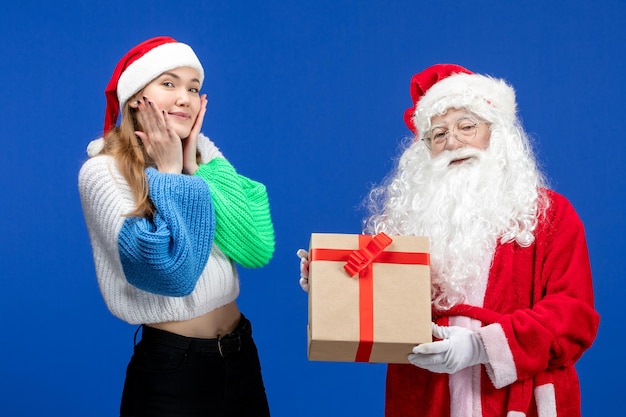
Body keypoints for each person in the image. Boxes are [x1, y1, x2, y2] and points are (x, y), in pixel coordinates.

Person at [298, 64, 599, 416]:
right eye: (438, 134)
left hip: (518, 402)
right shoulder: (410, 226)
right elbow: (384, 316)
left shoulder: (551, 214)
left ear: (497, 133)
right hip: (428, 399)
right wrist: (334, 283)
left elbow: (573, 316)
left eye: (466, 127)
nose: (453, 142)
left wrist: (481, 347)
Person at [78, 36, 275, 417]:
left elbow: (256, 246)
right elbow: (171, 275)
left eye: (194, 88)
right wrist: (170, 175)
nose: (185, 97)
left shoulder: (202, 154)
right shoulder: (102, 173)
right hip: (173, 373)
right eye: (169, 83)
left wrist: (194, 168)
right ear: (136, 96)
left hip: (241, 356)